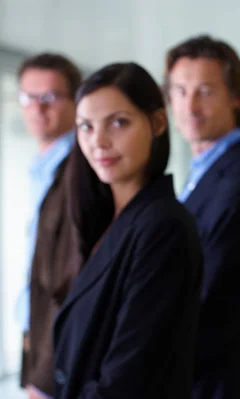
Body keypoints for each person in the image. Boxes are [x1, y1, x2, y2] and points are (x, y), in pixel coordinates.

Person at [52, 62, 203, 399]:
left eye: (118, 123)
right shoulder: (109, 220)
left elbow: (129, 375)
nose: (99, 141)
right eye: (86, 127)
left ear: (158, 123)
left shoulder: (164, 226)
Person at [164, 35, 240, 399]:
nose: (190, 105)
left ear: (236, 96)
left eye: (205, 91)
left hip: (224, 384)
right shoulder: (206, 171)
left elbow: (216, 310)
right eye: (180, 91)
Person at [15, 53, 81, 399]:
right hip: (36, 329)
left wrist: (45, 373)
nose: (37, 109)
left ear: (74, 101)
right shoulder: (40, 168)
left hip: (57, 345)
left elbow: (70, 279)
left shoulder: (80, 173)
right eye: (29, 97)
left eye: (50, 97)